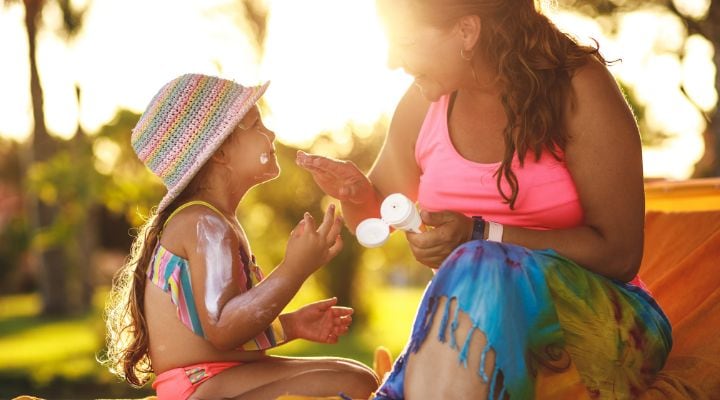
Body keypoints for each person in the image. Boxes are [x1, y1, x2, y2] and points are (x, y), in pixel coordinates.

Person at [296, 0, 672, 398]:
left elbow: (620, 252)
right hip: (480, 329)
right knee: (475, 262)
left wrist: (481, 233)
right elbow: (376, 217)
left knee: (477, 258)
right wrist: (357, 195)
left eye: (404, 41)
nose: (391, 61)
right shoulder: (424, 102)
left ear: (467, 32)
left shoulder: (578, 88)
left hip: (609, 324)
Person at [103, 73, 379, 400]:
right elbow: (223, 328)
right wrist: (295, 269)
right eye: (257, 125)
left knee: (359, 375)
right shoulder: (204, 224)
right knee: (355, 384)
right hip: (201, 387)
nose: (271, 133)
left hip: (215, 379)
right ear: (219, 152)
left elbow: (224, 331)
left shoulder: (213, 220)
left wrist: (291, 326)